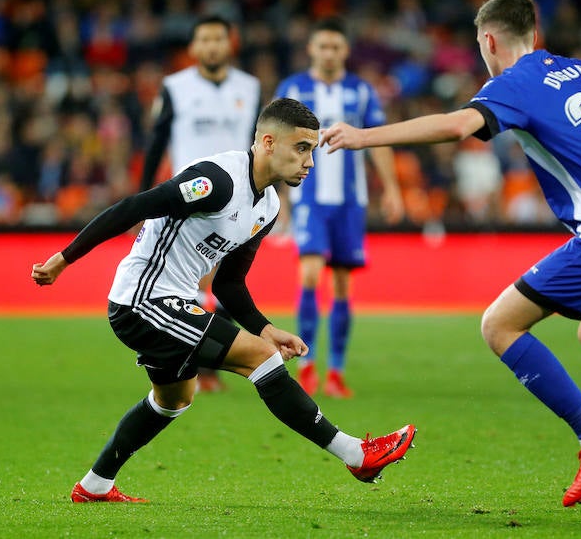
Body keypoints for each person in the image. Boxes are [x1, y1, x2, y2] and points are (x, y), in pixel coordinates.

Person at [321, 0, 581, 518]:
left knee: (499, 325)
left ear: (489, 40)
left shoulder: (513, 84)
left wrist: (364, 137)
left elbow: (456, 127)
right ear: (534, 33)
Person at [31, 98, 416, 503]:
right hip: (142, 300)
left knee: (173, 400)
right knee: (260, 359)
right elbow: (133, 206)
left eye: (312, 150)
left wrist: (266, 328)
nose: (309, 162)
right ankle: (355, 454)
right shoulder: (217, 180)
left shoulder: (267, 206)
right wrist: (63, 259)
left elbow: (229, 285)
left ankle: (95, 485)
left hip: (175, 302)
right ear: (268, 142)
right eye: (301, 148)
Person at [273, 16, 404, 398]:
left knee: (343, 285)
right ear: (311, 49)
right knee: (311, 274)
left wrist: (392, 188)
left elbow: (378, 140)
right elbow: (275, 144)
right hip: (308, 198)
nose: (329, 53)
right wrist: (279, 195)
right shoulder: (292, 88)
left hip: (350, 201)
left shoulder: (361, 91)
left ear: (345, 50)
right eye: (323, 46)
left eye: (335, 46)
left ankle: (336, 371)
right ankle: (307, 365)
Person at [139, 14, 263, 393]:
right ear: (193, 47)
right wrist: (143, 199)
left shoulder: (250, 87)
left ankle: (208, 364)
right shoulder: (174, 87)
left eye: (218, 39)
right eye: (204, 39)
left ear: (230, 44)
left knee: (227, 282)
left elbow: (262, 145)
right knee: (188, 282)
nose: (211, 46)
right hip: (188, 200)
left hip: (238, 198)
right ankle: (191, 364)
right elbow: (157, 143)